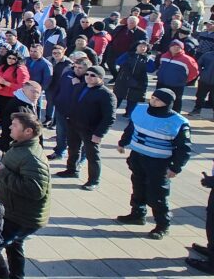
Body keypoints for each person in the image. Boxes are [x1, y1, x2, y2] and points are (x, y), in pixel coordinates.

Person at [0, 112, 52, 279]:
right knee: (13, 247)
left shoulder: (32, 157)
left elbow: (35, 190)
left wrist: (3, 174)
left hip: (23, 217)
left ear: (28, 131)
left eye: (14, 125)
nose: (9, 128)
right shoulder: (19, 148)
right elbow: (7, 168)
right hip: (13, 210)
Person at [115, 88, 191, 240]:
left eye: (158, 100)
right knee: (138, 186)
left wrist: (176, 167)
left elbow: (184, 148)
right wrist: (123, 142)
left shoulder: (178, 122)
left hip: (159, 163)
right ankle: (137, 214)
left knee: (157, 194)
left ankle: (162, 225)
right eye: (153, 98)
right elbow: (131, 128)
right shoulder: (140, 110)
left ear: (167, 103)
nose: (153, 101)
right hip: (138, 157)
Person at [55, 65, 116, 191]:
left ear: (100, 78)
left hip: (91, 129)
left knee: (92, 155)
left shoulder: (106, 94)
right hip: (74, 124)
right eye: (87, 74)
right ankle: (72, 170)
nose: (89, 77)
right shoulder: (80, 86)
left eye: (93, 75)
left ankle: (93, 180)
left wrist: (99, 134)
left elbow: (109, 117)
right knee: (73, 149)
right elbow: (73, 103)